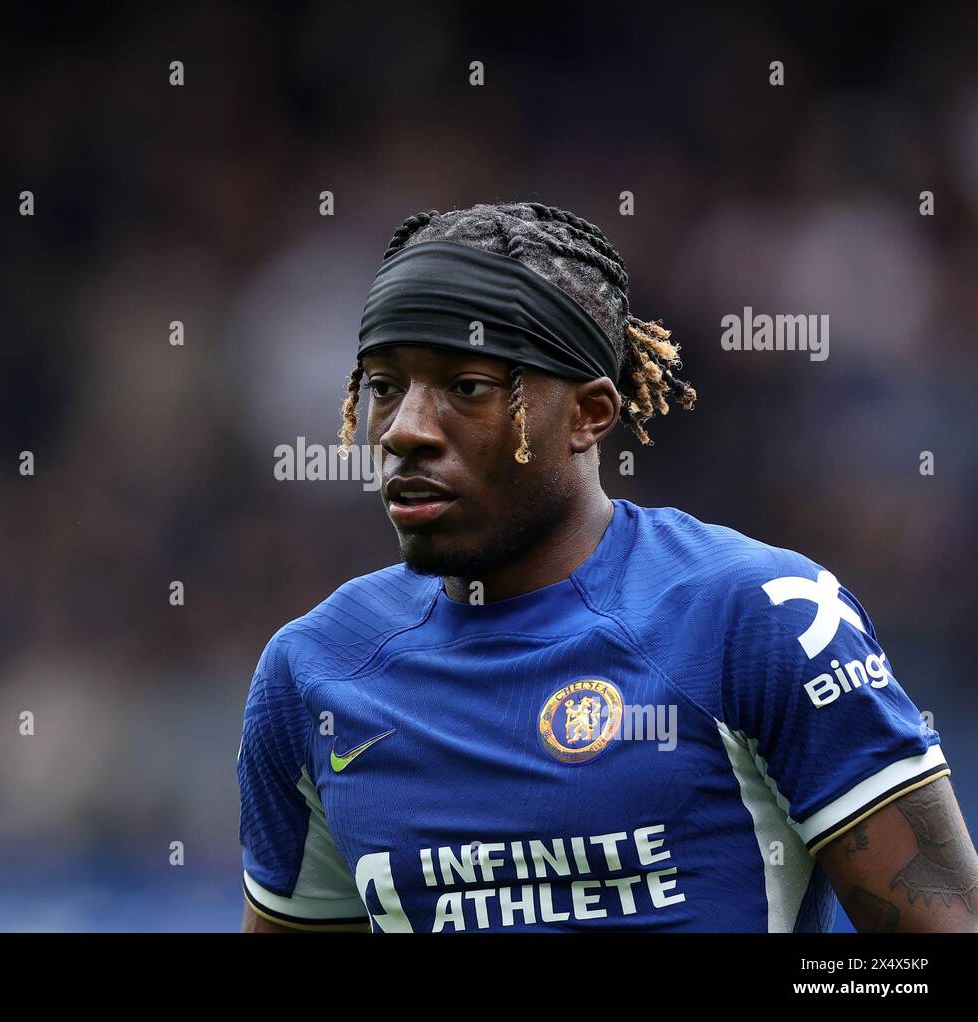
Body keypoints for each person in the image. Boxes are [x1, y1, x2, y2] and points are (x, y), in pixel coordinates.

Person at [237, 202, 975, 932]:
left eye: (467, 387)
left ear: (589, 414)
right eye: (384, 386)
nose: (405, 429)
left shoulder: (759, 615)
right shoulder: (313, 672)